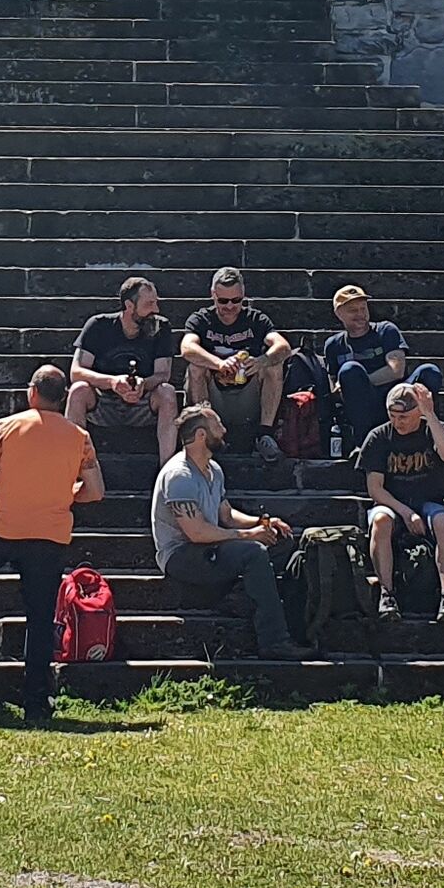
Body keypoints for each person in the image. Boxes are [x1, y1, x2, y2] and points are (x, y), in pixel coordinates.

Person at [0, 365, 105, 725]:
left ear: (32, 393)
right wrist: (66, 491)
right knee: (39, 617)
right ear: (63, 398)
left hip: (5, 528)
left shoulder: (8, 426)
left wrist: (12, 481)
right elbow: (96, 491)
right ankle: (36, 701)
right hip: (49, 535)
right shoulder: (80, 437)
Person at [151, 405, 304, 658]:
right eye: (217, 426)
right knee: (253, 552)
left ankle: (236, 598)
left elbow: (227, 516)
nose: (223, 430)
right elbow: (197, 533)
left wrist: (263, 523)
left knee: (281, 540)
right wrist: (249, 536)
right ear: (201, 435)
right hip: (181, 555)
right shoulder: (179, 475)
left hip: (209, 547)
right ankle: (274, 641)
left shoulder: (214, 470)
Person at [358, 379, 444, 623]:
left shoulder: (431, 430)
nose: (398, 422)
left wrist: (430, 414)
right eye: (393, 416)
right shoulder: (379, 437)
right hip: (392, 504)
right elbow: (375, 489)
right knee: (381, 521)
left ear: (417, 412)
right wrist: (406, 513)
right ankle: (387, 593)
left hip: (428, 502)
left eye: (404, 416)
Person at [179, 267, 292, 462]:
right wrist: (218, 364)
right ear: (213, 295)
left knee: (274, 365)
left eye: (236, 300)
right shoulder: (201, 319)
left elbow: (283, 346)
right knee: (196, 366)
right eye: (223, 301)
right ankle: (206, 433)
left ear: (243, 296)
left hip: (248, 395)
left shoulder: (255, 319)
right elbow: (186, 347)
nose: (230, 306)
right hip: (214, 396)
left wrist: (261, 361)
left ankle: (265, 434)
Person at [67, 276, 180, 463]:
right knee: (78, 390)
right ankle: (73, 465)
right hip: (103, 402)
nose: (156, 310)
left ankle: (167, 469)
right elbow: (76, 372)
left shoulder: (161, 327)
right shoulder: (98, 325)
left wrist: (143, 384)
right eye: (149, 304)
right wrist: (112, 382)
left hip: (142, 403)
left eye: (156, 303)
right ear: (129, 306)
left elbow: (163, 374)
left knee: (167, 392)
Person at [321, 285, 442, 449]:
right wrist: (342, 385)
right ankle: (364, 445)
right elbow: (334, 385)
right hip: (363, 406)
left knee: (429, 371)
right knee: (350, 370)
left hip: (397, 397)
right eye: (353, 310)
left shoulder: (386, 330)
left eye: (363, 308)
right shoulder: (334, 345)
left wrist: (359, 383)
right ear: (339, 314)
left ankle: (425, 436)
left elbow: (396, 371)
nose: (360, 314)